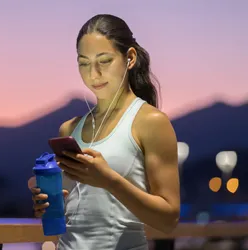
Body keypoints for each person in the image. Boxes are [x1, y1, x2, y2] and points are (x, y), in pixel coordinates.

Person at [29, 14, 180, 250]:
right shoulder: (69, 129)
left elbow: (169, 219)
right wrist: (48, 204)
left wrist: (109, 181)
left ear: (129, 58)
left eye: (104, 60)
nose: (93, 73)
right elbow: (76, 210)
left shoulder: (150, 122)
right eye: (84, 62)